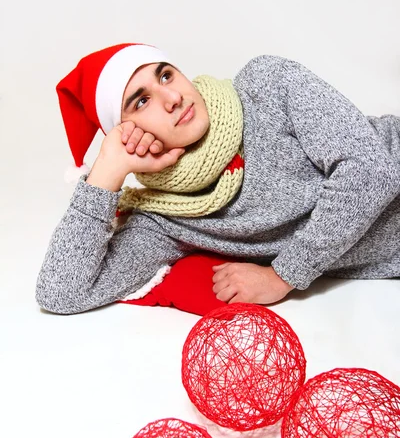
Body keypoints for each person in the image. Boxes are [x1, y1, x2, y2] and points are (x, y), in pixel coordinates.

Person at [36, 43, 400, 315]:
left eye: (165, 75)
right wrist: (106, 175)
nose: (173, 97)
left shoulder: (266, 86)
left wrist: (282, 276)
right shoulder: (164, 220)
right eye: (141, 101)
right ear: (126, 132)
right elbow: (61, 292)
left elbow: (371, 172)